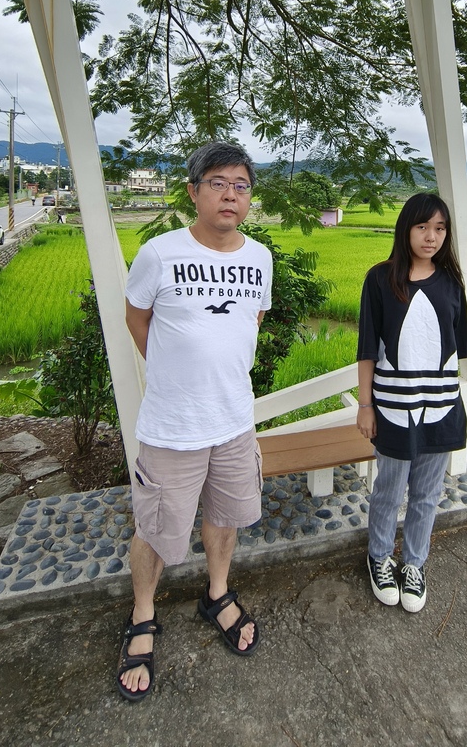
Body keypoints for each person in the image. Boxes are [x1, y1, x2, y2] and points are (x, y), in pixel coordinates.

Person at [118, 141, 273, 702]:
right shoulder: (159, 254)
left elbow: (249, 324)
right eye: (218, 183)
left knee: (226, 517)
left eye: (241, 185)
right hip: (172, 427)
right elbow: (139, 321)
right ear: (193, 191)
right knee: (156, 530)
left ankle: (218, 593)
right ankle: (142, 615)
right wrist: (173, 374)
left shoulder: (259, 257)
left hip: (234, 421)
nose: (231, 194)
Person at [356, 192, 467, 614]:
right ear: (406, 228)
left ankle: (415, 564)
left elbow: (456, 352)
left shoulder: (451, 282)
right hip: (392, 407)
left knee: (427, 494)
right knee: (388, 489)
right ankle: (379, 557)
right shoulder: (380, 278)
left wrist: (459, 406)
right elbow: (368, 348)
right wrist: (365, 405)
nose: (432, 236)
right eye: (423, 227)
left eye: (440, 228)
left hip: (441, 408)